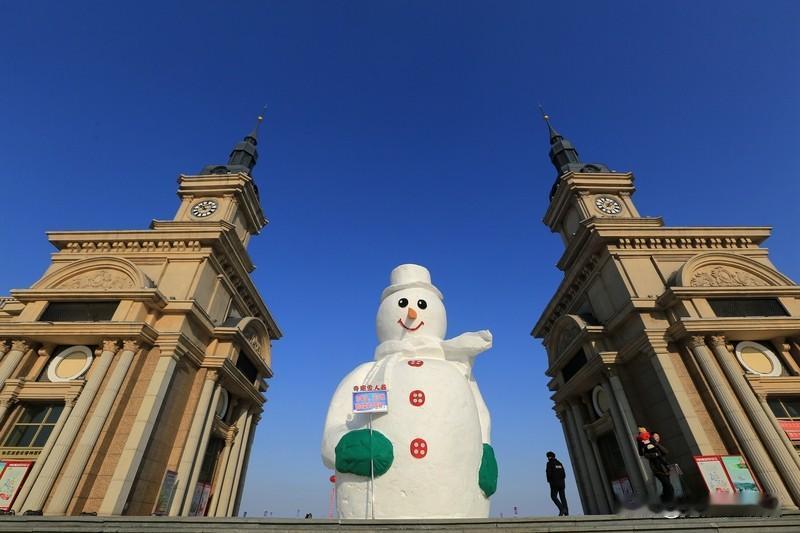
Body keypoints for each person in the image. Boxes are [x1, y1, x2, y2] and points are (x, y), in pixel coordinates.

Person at [637, 429, 674, 502]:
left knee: (666, 485)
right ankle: (668, 500)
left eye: (658, 436)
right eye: (655, 436)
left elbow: (665, 452)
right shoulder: (646, 447)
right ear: (651, 437)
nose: (657, 437)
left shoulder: (657, 445)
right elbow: (644, 454)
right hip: (657, 469)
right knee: (668, 485)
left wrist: (656, 444)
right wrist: (655, 454)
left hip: (664, 468)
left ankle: (664, 500)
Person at [545, 451, 569, 516]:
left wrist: (550, 481)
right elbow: (564, 474)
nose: (548, 458)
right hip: (562, 484)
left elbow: (549, 474)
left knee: (553, 496)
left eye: (548, 457)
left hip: (554, 484)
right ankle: (566, 512)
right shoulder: (560, 463)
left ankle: (562, 509)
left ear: (549, 457)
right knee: (563, 497)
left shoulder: (549, 463)